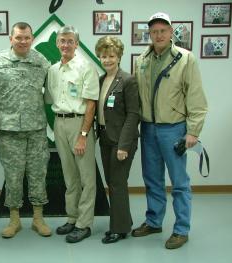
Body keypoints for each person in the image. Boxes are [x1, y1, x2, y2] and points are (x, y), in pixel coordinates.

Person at [132, 12, 208, 249]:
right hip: (148, 128)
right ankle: (154, 221)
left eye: (163, 30)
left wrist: (193, 131)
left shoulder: (186, 59)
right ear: (150, 34)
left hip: (173, 129)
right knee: (152, 179)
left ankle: (181, 229)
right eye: (154, 31)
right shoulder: (142, 60)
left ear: (171, 31)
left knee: (179, 183)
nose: (158, 34)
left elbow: (196, 98)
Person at [0, 22, 51, 239]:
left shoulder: (42, 62)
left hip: (36, 130)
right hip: (10, 130)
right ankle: (14, 220)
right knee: (13, 176)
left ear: (32, 38)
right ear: (10, 38)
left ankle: (37, 219)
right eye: (18, 37)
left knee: (38, 174)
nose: (23, 41)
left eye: (26, 38)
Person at [46, 25, 99, 243]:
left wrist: (83, 134)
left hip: (80, 124)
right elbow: (50, 100)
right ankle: (72, 217)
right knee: (69, 176)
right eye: (62, 41)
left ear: (77, 44)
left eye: (70, 41)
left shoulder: (86, 67)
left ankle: (84, 224)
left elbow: (91, 104)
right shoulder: (53, 70)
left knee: (86, 177)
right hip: (60, 123)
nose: (66, 45)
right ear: (57, 44)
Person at [95, 36, 139, 244]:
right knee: (111, 183)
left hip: (122, 141)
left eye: (111, 56)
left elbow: (133, 115)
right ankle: (123, 221)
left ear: (119, 56)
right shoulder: (101, 80)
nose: (107, 60)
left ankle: (119, 229)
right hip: (105, 138)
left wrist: (124, 146)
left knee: (117, 184)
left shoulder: (128, 80)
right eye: (104, 56)